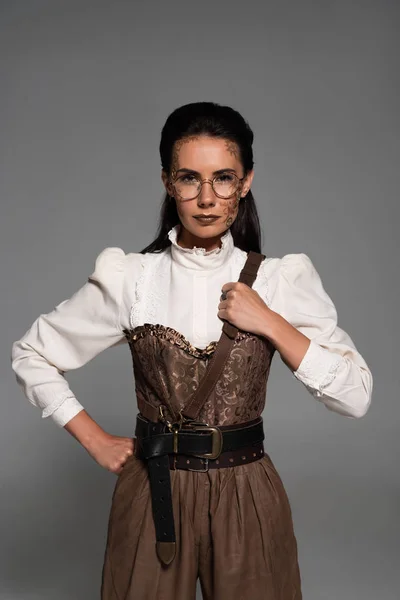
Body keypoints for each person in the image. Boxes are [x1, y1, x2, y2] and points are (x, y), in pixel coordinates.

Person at [11, 101, 373, 600]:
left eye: (223, 178)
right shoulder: (132, 278)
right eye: (189, 179)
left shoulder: (280, 279)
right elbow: (32, 353)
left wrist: (269, 320)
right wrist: (93, 438)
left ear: (245, 182)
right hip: (153, 492)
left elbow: (355, 397)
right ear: (167, 183)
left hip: (247, 490)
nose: (206, 198)